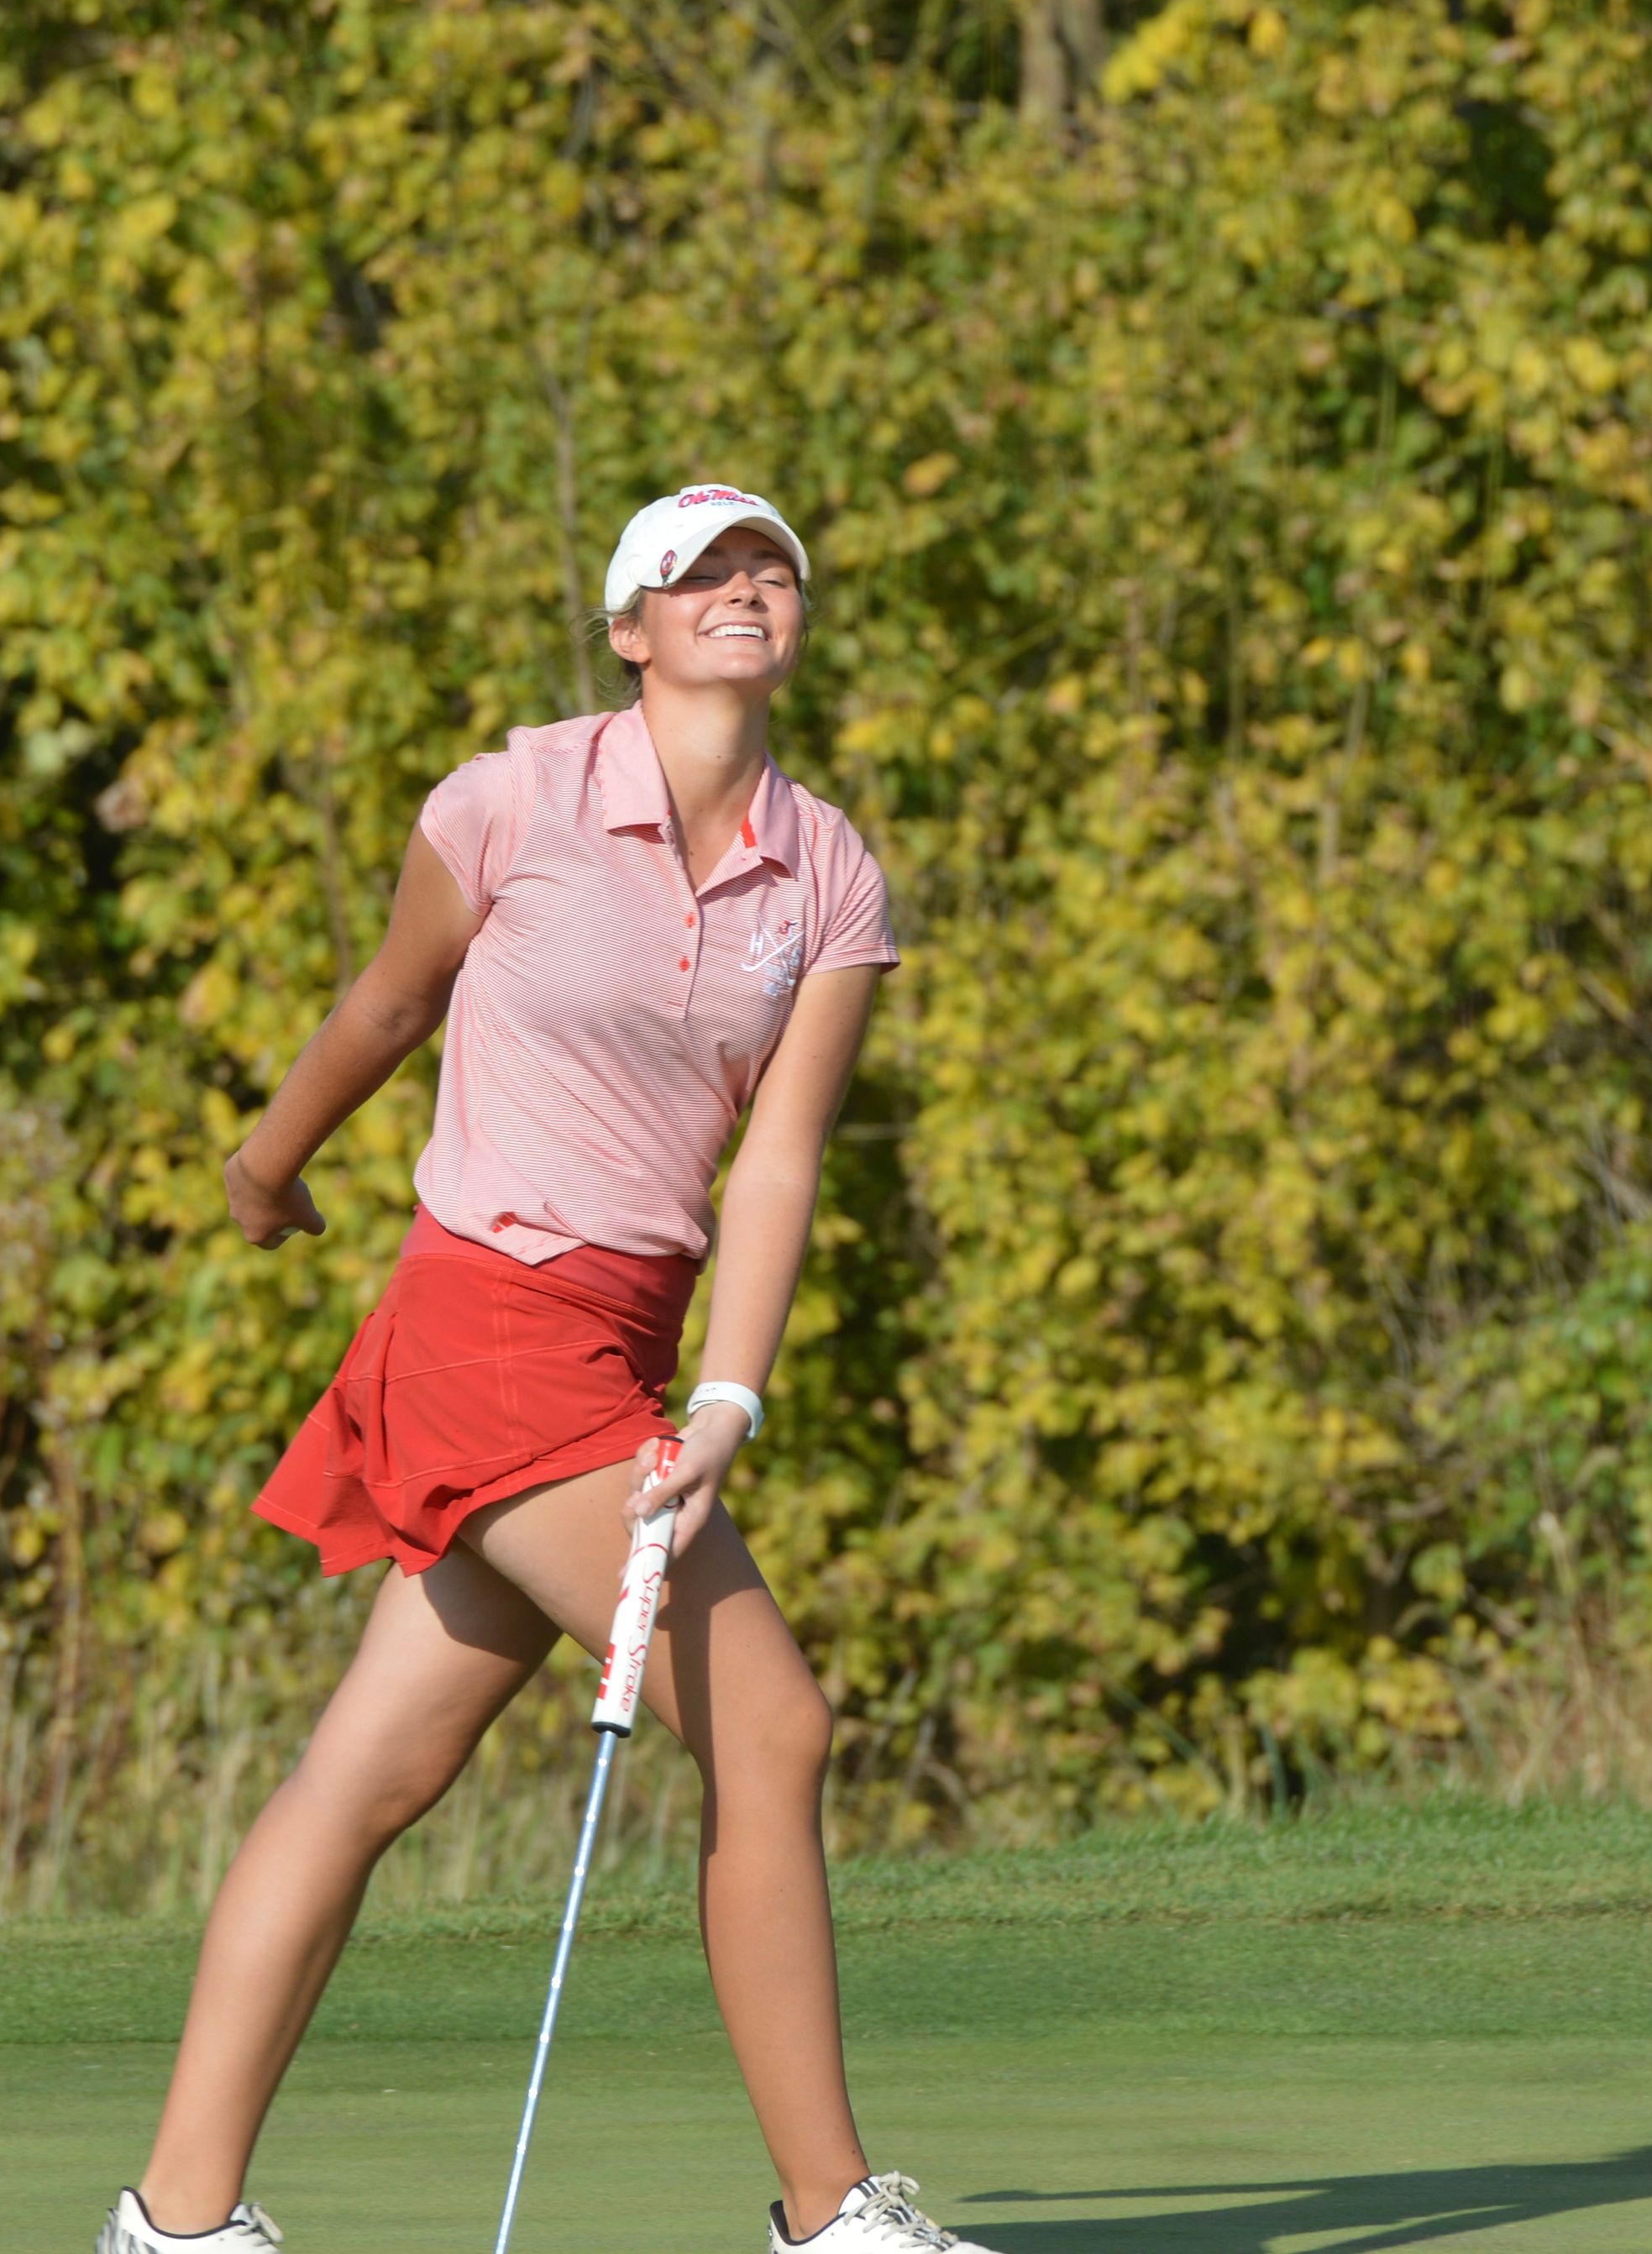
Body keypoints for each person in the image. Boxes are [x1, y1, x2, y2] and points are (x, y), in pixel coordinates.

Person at [100, 484, 989, 2254]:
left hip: (633, 1349)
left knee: (372, 1770)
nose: (746, 592)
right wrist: (264, 1168)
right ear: (631, 628)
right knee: (773, 1716)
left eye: (772, 572)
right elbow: (384, 1003)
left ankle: (177, 2220)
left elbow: (782, 1162)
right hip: (483, 1317)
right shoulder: (510, 797)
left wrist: (727, 1399)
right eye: (703, 573)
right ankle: (831, 2214)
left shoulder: (830, 872)